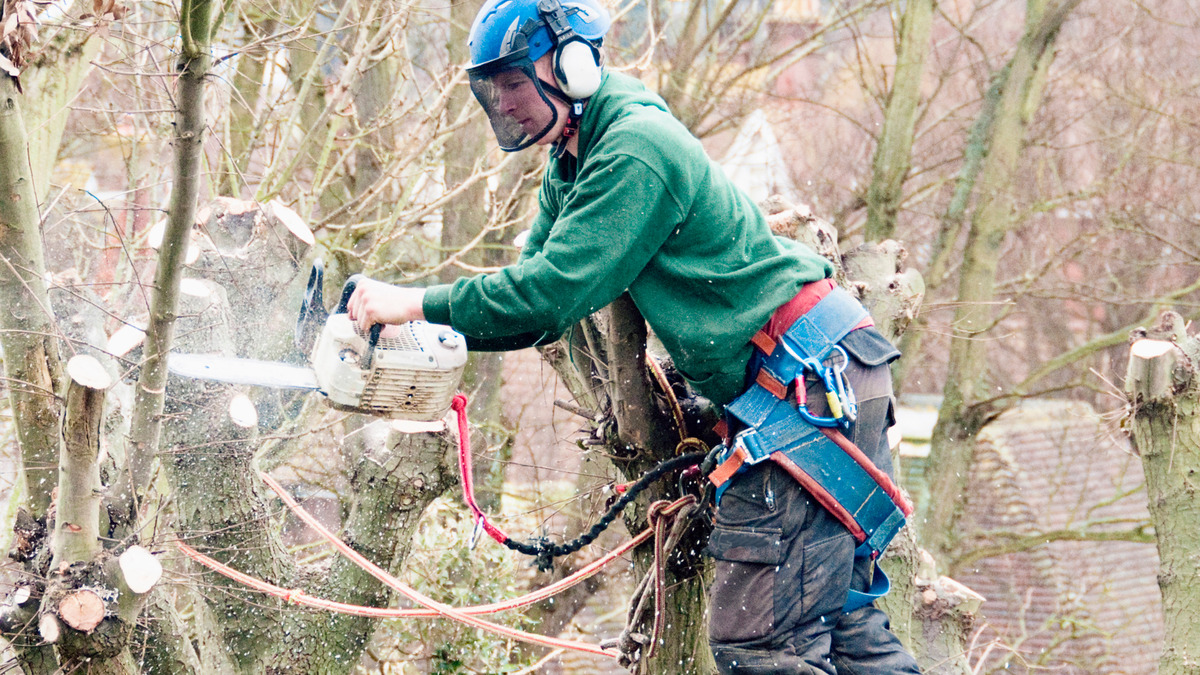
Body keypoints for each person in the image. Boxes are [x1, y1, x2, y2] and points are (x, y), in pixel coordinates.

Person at [347, 0, 922, 672]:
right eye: (492, 87)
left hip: (806, 384)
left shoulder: (632, 149)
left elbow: (549, 293)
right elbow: (537, 292)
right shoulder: (575, 154)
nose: (505, 102)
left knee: (764, 644)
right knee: (841, 628)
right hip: (817, 377)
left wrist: (410, 304)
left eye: (513, 81)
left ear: (572, 64)